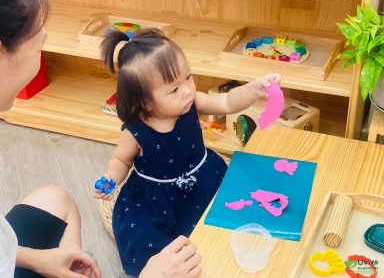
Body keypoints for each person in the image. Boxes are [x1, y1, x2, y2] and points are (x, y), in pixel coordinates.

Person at [0, 0, 204, 277]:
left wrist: (35, 258)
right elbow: (120, 161)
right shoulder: (136, 133)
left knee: (55, 197)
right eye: (39, 45)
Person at [93, 28, 282, 276]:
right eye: (173, 89)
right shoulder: (136, 132)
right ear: (146, 102)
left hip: (203, 175)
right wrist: (111, 177)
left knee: (234, 205)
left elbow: (226, 102)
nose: (187, 90)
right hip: (156, 198)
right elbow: (120, 159)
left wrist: (252, 89)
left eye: (188, 77)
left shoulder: (193, 103)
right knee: (143, 236)